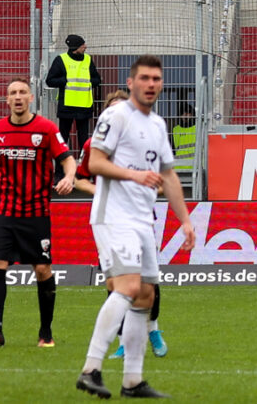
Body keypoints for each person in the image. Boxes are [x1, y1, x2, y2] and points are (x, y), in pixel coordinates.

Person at [75, 55, 196, 400]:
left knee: (146, 294)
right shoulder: (115, 116)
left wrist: (185, 219)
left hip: (142, 218)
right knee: (128, 286)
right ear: (131, 82)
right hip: (114, 215)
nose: (151, 84)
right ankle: (91, 369)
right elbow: (95, 161)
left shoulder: (158, 125)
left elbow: (169, 175)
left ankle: (132, 380)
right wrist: (135, 175)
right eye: (144, 78)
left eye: (156, 79)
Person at [0, 78, 75, 349]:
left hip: (36, 212)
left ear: (31, 98)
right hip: (4, 211)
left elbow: (67, 159)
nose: (17, 97)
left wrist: (70, 177)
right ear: (7, 100)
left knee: (42, 269)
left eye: (22, 92)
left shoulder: (47, 129)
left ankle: (45, 333)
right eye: (12, 93)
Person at [44, 33, 102, 152]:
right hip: (67, 106)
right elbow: (50, 80)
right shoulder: (61, 60)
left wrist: (89, 82)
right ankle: (60, 168)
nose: (85, 47)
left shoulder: (88, 59)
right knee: (63, 138)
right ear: (75, 48)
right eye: (82, 45)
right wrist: (65, 81)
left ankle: (83, 167)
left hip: (84, 106)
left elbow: (97, 79)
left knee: (83, 140)